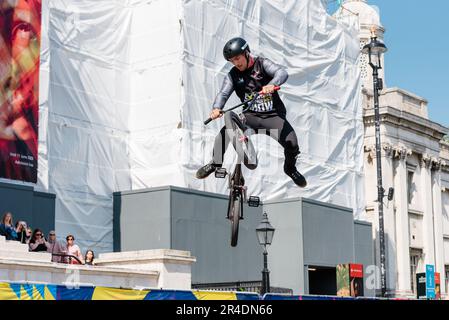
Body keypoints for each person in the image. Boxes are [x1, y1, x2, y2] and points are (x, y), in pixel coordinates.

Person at [196, 37, 307, 187]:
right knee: (223, 134)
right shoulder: (232, 75)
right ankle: (215, 163)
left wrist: (272, 84)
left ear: (246, 53)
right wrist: (216, 108)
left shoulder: (262, 64)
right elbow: (223, 93)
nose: (236, 63)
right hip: (250, 116)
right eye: (232, 61)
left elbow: (281, 73)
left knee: (292, 143)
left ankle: (290, 168)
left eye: (237, 58)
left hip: (273, 116)